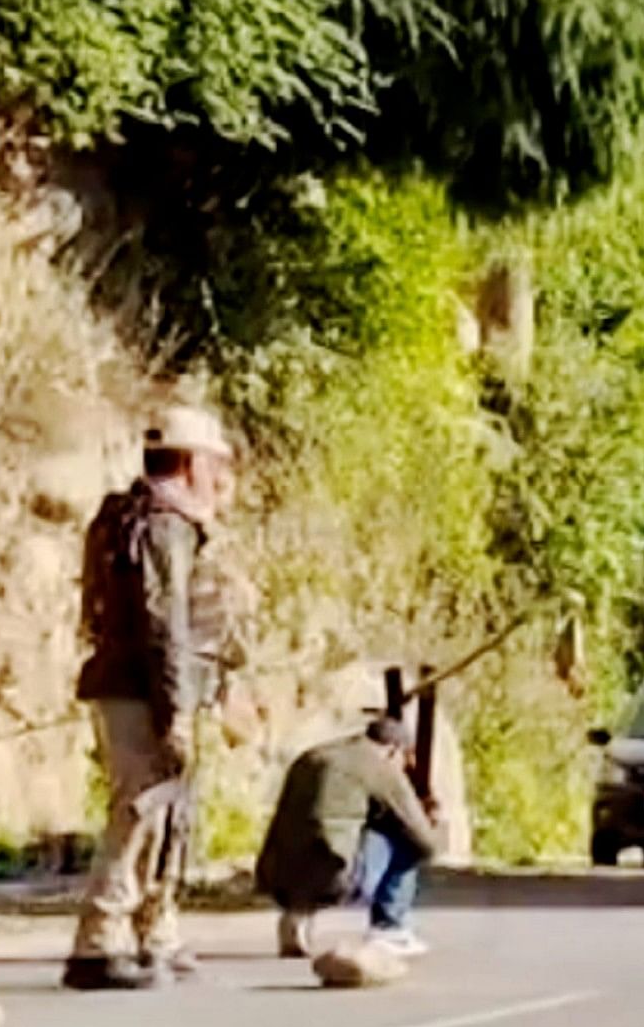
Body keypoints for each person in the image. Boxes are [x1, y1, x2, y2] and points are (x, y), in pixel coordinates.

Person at [67, 405, 240, 991]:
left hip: (141, 686)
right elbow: (166, 625)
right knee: (140, 808)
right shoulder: (165, 525)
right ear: (191, 464)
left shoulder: (134, 517)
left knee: (165, 812)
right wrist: (177, 713)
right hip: (146, 692)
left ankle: (152, 930)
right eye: (217, 465)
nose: (223, 479)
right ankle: (99, 939)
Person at [259, 708, 443, 957]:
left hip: (276, 876)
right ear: (394, 750)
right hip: (336, 878)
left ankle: (298, 912)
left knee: (323, 830)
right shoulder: (379, 766)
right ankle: (390, 928)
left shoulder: (313, 756)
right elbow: (426, 842)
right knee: (404, 838)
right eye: (405, 760)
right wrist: (438, 823)